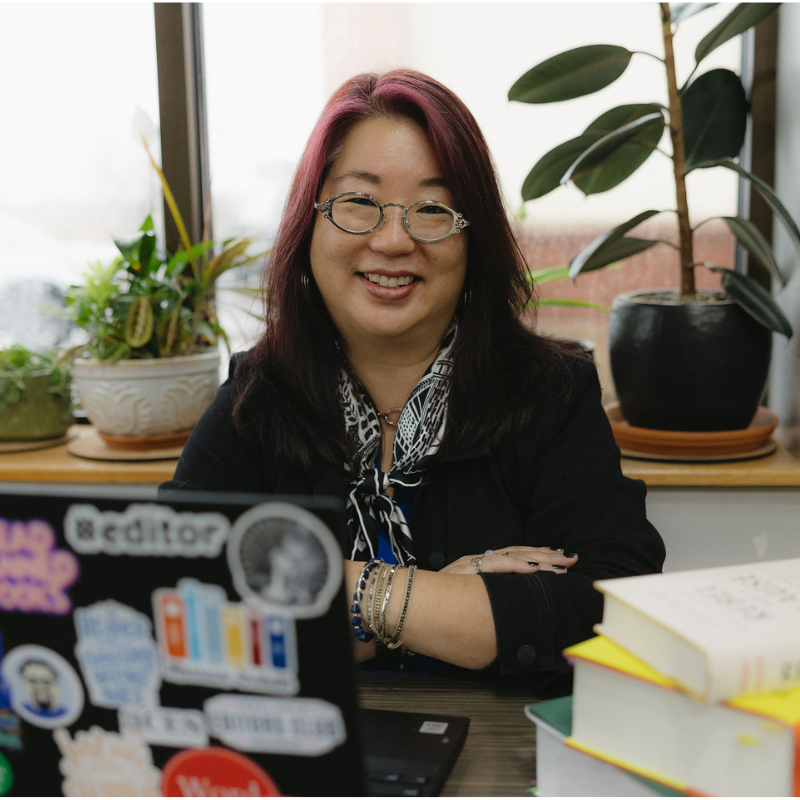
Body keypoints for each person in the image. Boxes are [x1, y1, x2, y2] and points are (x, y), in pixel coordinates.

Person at [161, 69, 664, 684]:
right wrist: (421, 601)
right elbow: (184, 614)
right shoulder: (258, 399)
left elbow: (615, 609)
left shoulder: (551, 392)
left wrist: (337, 593)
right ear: (307, 228)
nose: (393, 240)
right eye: (359, 203)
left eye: (433, 209)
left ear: (474, 238)